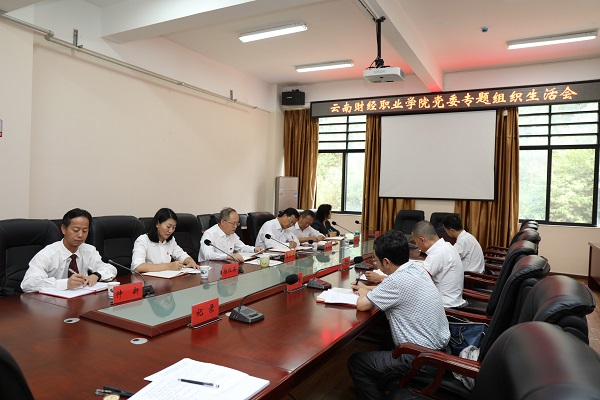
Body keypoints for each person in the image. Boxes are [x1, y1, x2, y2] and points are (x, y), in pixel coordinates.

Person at [348, 230, 450, 400]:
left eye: (376, 260)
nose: (376, 264)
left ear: (387, 262)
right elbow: (396, 289)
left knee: (356, 362)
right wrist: (368, 289)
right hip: (439, 353)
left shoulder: (395, 281)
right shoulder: (417, 269)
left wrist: (364, 293)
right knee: (387, 337)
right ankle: (383, 383)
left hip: (420, 359)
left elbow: (363, 305)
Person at [21, 208, 117, 293]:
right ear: (64, 229)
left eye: (84, 231)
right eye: (76, 230)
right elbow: (28, 284)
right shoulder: (48, 254)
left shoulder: (89, 250)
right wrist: (65, 283)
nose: (80, 235)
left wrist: (96, 275)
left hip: (81, 300)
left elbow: (111, 269)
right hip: (52, 304)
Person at [412, 220, 466, 308]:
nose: (417, 246)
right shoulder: (447, 246)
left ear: (422, 240)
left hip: (445, 307)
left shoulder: (437, 253)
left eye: (415, 242)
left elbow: (417, 280)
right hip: (454, 300)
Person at [131, 208, 198, 272]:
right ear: (157, 223)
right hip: (148, 279)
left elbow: (181, 254)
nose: (171, 231)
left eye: (174, 228)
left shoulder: (170, 240)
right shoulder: (143, 240)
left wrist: (190, 261)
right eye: (168, 227)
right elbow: (137, 267)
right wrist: (169, 266)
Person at [199, 207, 264, 262]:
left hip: (226, 266)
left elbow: (241, 247)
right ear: (222, 222)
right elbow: (208, 254)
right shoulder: (209, 234)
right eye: (233, 223)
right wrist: (228, 256)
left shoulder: (232, 234)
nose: (235, 226)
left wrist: (254, 249)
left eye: (237, 224)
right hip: (208, 268)